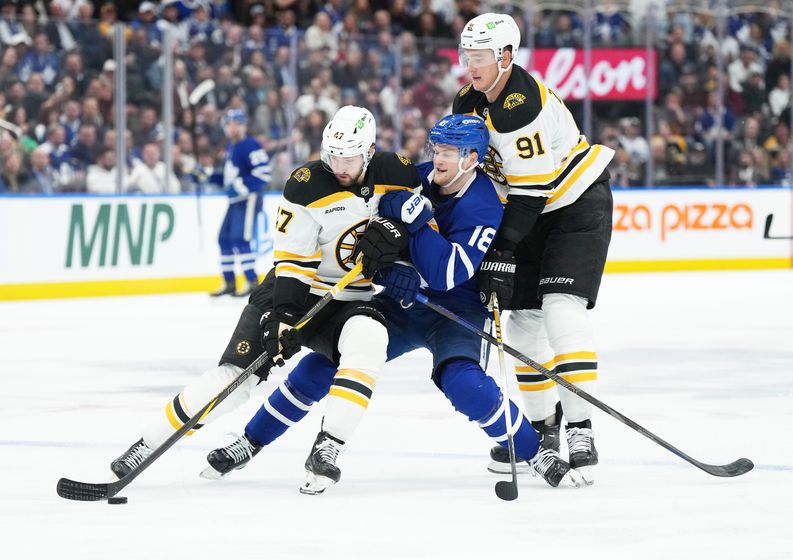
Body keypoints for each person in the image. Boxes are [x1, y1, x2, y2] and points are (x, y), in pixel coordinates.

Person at [202, 114, 579, 493]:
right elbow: (377, 233)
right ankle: (252, 441)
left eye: (451, 151)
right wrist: (391, 266)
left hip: (457, 310)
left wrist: (412, 221)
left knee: (465, 385)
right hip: (402, 301)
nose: (440, 158)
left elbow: (446, 274)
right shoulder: (416, 175)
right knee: (325, 363)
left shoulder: (483, 203)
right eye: (437, 148)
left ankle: (535, 452)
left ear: (473, 158)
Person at [108, 106, 416, 482]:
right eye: (332, 155)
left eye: (348, 157)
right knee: (236, 379)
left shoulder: (399, 173)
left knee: (370, 340)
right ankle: (147, 443)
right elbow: (293, 264)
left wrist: (402, 253)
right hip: (293, 292)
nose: (339, 165)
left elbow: (420, 224)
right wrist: (283, 316)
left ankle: (330, 444)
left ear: (369, 152)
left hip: (349, 301)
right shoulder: (306, 184)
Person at [454, 13, 615, 485]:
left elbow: (531, 191)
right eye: (466, 56)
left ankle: (581, 428)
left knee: (561, 307)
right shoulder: (469, 100)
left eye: (478, 57)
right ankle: (544, 430)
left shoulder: (519, 105)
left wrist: (501, 248)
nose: (469, 65)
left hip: (574, 202)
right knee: (522, 323)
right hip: (526, 212)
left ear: (505, 56)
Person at [209, 109, 272, 297]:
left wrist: (240, 187)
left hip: (248, 200)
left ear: (244, 126)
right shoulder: (231, 146)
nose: (233, 128)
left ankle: (252, 281)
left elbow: (263, 174)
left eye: (237, 124)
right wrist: (208, 176)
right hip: (235, 201)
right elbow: (230, 180)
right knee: (224, 239)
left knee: (240, 239)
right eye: (229, 124)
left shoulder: (250, 145)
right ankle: (229, 282)